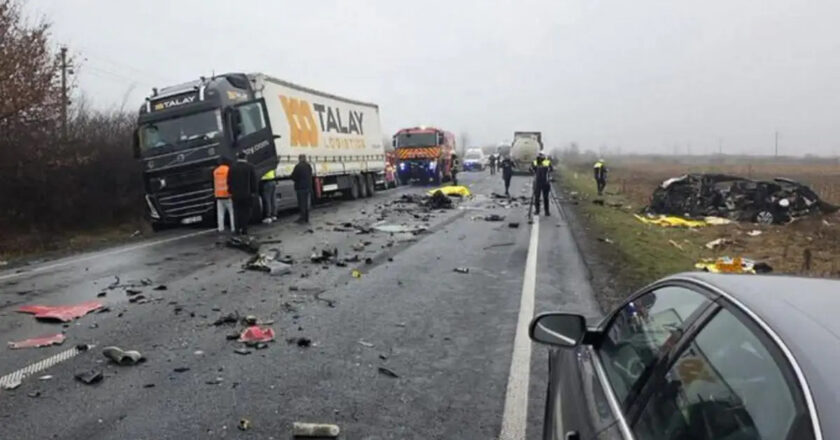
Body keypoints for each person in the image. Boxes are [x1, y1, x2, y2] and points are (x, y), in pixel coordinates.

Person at [228, 152, 258, 235]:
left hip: (235, 195)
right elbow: (253, 180)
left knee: (237, 212)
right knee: (246, 212)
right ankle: (244, 229)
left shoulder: (232, 168)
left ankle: (237, 229)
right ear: (245, 157)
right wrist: (254, 191)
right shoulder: (250, 167)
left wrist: (230, 192)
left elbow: (229, 181)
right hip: (247, 194)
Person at [213, 159, 235, 233]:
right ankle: (233, 227)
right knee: (232, 213)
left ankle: (220, 228)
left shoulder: (215, 171)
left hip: (219, 195)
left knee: (220, 213)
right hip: (227, 194)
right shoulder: (228, 170)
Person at [291, 154, 313, 223]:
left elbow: (293, 176)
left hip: (300, 187)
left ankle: (302, 218)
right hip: (308, 187)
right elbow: (310, 175)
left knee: (301, 203)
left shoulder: (298, 166)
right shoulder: (308, 166)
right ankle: (306, 218)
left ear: (300, 159)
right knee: (306, 203)